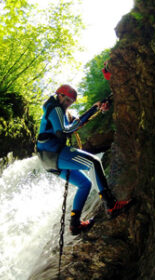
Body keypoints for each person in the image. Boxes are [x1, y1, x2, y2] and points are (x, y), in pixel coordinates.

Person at [36, 84, 132, 235]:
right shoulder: (55, 108)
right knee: (94, 163)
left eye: (70, 101)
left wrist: (96, 108)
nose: (67, 103)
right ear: (58, 95)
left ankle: (75, 224)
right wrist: (93, 110)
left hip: (48, 160)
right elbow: (66, 129)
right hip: (54, 153)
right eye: (66, 99)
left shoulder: (57, 111)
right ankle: (111, 204)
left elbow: (75, 122)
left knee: (84, 184)